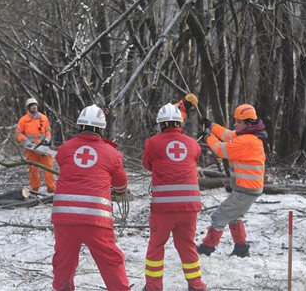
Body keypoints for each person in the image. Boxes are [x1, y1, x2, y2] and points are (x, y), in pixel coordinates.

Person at [51, 104, 130, 291]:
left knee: (64, 260)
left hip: (65, 218)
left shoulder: (64, 149)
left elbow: (64, 161)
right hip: (95, 220)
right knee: (110, 260)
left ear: (79, 126)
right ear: (102, 128)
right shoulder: (112, 153)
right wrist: (120, 191)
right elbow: (120, 183)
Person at [142, 103, 207, 291]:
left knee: (156, 246)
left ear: (161, 124)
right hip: (189, 208)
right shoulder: (193, 143)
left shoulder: (153, 143)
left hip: (164, 209)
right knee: (187, 245)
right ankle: (196, 285)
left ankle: (153, 287)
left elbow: (148, 164)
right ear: (180, 123)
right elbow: (192, 158)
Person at [197, 104, 267, 258]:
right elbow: (228, 135)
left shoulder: (247, 141)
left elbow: (222, 150)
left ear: (248, 123)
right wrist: (211, 126)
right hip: (248, 189)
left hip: (246, 189)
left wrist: (208, 137)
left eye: (238, 122)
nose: (235, 124)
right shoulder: (247, 135)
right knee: (234, 218)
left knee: (219, 216)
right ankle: (241, 248)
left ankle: (207, 247)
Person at [15, 97, 56, 192]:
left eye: (35, 105)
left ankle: (51, 188)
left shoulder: (43, 118)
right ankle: (35, 189)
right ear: (28, 108)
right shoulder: (23, 120)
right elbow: (18, 133)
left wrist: (47, 139)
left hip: (43, 148)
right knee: (33, 170)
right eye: (31, 106)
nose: (34, 107)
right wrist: (25, 141)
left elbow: (48, 130)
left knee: (49, 168)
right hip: (31, 149)